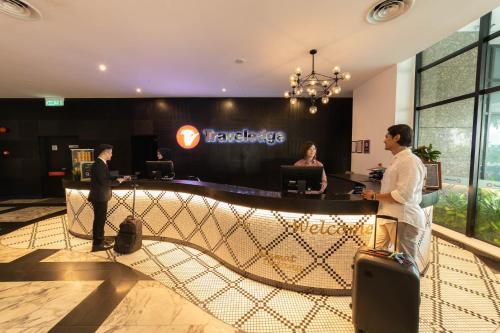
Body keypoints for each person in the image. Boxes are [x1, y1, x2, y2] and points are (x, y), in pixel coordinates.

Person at [361, 124, 426, 259]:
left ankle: (405, 281)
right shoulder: (398, 160)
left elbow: (403, 195)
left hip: (403, 218)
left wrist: (375, 196)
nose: (384, 140)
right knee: (372, 253)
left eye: (387, 136)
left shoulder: (409, 161)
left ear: (397, 137)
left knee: (404, 262)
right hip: (387, 216)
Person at [88, 144, 125, 252]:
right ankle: (97, 244)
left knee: (100, 219)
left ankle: (100, 240)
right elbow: (104, 182)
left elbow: (104, 178)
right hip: (99, 197)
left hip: (100, 196)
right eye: (110, 152)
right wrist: (118, 182)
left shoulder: (101, 164)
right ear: (105, 152)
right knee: (99, 220)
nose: (111, 155)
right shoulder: (98, 164)